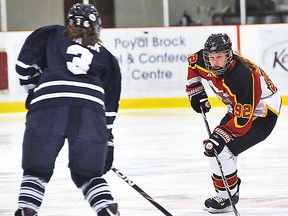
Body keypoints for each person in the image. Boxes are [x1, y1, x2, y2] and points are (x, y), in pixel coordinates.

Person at [14, 3, 121, 216]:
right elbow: (109, 107)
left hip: (48, 107)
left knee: (36, 171)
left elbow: (23, 68)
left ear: (69, 23)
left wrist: (36, 90)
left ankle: (27, 210)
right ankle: (106, 208)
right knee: (88, 174)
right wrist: (107, 142)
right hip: (91, 113)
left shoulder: (52, 33)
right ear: (97, 26)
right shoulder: (108, 58)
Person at [185, 33, 281, 214]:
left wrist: (221, 136)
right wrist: (195, 90)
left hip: (262, 113)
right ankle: (227, 191)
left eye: (219, 57)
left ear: (229, 55)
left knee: (220, 148)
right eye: (211, 57)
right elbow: (193, 65)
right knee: (215, 148)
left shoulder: (244, 77)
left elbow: (243, 119)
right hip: (237, 108)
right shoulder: (203, 59)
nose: (214, 62)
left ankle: (228, 195)